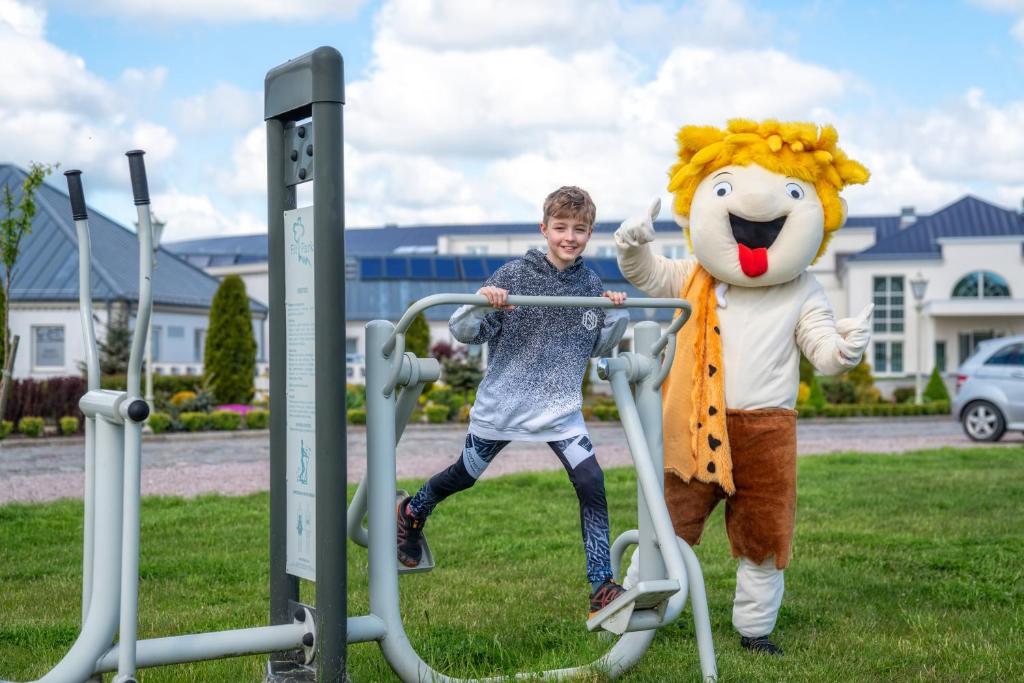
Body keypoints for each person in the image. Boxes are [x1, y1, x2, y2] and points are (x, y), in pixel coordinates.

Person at [397, 185, 631, 617]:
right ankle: (412, 511)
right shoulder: (514, 275)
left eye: (579, 229)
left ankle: (601, 585)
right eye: (561, 227)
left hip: (560, 412)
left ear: (590, 233)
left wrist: (614, 314)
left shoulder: (591, 284)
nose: (569, 237)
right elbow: (464, 331)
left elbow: (596, 345)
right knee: (464, 475)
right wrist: (483, 304)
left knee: (592, 483)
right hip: (504, 406)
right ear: (544, 229)